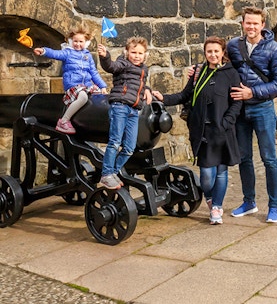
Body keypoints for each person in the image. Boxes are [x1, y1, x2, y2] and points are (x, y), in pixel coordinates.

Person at [153, 36, 242, 225]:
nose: (213, 54)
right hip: (201, 132)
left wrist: (227, 122)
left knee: (221, 172)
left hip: (223, 131)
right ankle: (209, 198)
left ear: (222, 52)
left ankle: (217, 207)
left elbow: (236, 102)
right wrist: (164, 98)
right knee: (207, 176)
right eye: (209, 51)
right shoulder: (198, 73)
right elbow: (185, 95)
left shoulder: (231, 73)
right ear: (205, 53)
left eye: (216, 51)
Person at [227, 6, 277, 223]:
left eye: (255, 23)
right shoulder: (234, 46)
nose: (251, 27)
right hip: (240, 110)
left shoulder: (274, 49)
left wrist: (252, 92)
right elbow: (219, 65)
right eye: (247, 22)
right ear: (242, 24)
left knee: (269, 158)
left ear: (262, 25)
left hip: (262, 109)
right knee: (244, 158)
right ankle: (249, 202)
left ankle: (275, 206)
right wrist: (196, 70)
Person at [97, 36, 152, 190]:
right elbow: (111, 67)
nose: (137, 56)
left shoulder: (143, 69)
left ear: (145, 55)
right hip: (120, 106)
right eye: (133, 52)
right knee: (115, 142)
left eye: (140, 53)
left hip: (134, 110)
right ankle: (106, 174)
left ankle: (113, 172)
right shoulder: (123, 63)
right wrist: (105, 56)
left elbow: (140, 86)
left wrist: (147, 90)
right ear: (127, 52)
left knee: (129, 147)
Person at [34, 24, 107, 134]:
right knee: (83, 98)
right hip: (73, 84)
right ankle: (64, 120)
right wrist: (44, 51)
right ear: (70, 41)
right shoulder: (67, 53)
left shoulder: (88, 56)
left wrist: (102, 86)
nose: (77, 44)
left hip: (87, 85)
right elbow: (55, 53)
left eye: (80, 41)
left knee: (100, 97)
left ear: (86, 42)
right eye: (75, 41)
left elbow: (93, 73)